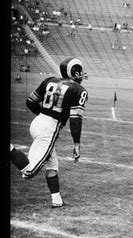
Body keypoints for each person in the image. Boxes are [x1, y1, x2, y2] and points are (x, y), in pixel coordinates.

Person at [13, 57, 88, 208]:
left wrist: (46, 114)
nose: (82, 75)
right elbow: (75, 120)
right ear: (75, 73)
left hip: (38, 122)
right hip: (49, 129)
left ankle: (57, 200)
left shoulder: (50, 80)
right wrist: (77, 144)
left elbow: (30, 102)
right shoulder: (79, 90)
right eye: (80, 72)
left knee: (52, 164)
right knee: (29, 172)